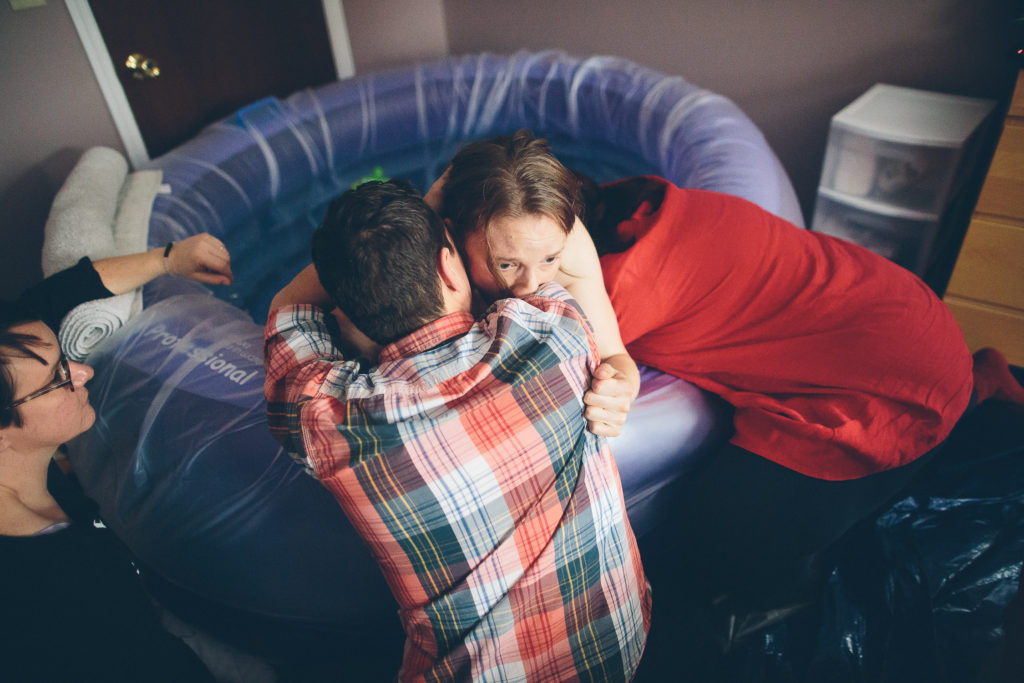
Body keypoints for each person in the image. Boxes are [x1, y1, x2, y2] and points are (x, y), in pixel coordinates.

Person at [431, 130, 1024, 609]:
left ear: (572, 235)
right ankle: (974, 393)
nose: (533, 283)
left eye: (550, 261)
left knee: (709, 548)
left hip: (888, 388)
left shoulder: (612, 291)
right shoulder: (642, 199)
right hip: (907, 313)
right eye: (507, 262)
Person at [263, 180, 651, 682]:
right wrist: (432, 217)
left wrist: (368, 255)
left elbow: (285, 309)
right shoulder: (552, 330)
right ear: (450, 265)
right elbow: (558, 241)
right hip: (618, 645)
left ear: (347, 311)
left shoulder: (323, 416)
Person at [1, 233, 232, 681]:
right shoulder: (63, 589)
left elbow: (54, 297)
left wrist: (169, 259)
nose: (83, 372)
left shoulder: (16, 419)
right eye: (58, 377)